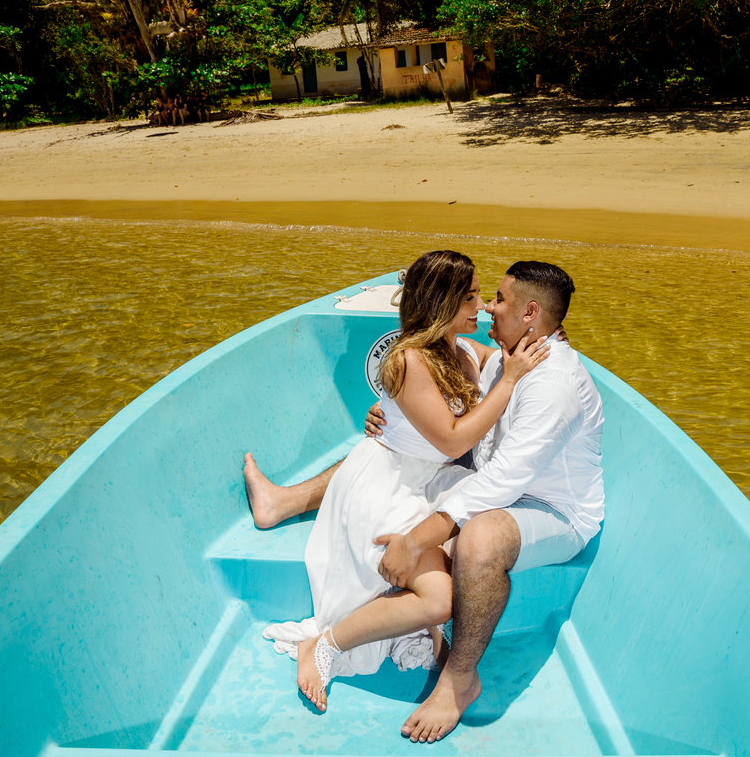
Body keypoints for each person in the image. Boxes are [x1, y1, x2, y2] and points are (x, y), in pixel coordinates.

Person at [247, 261, 605, 742]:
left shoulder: (551, 382)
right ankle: (374, 626)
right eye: (479, 297)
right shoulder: (502, 356)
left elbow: (502, 477)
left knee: (475, 536)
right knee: (418, 477)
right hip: (451, 481)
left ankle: (458, 682)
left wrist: (418, 538)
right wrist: (393, 412)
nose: (488, 307)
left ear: (531, 313)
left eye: (496, 298)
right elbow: (448, 388)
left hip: (552, 510)